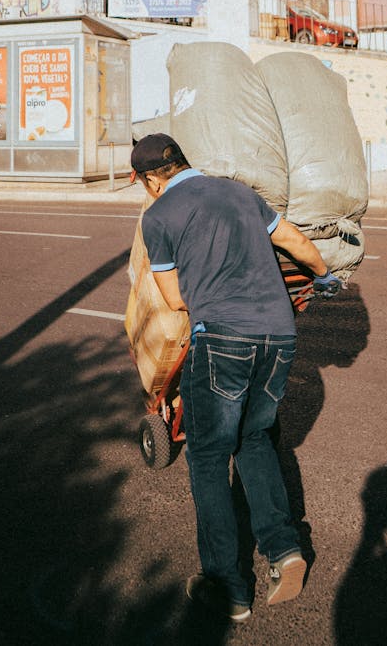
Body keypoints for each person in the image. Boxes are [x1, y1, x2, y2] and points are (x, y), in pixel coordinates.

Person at [130, 132, 341, 624]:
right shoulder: (240, 192)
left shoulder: (158, 215)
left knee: (207, 456)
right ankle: (284, 549)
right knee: (256, 439)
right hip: (279, 337)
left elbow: (177, 298)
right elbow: (293, 241)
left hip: (222, 339)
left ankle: (228, 588)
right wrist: (323, 273)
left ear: (151, 181)